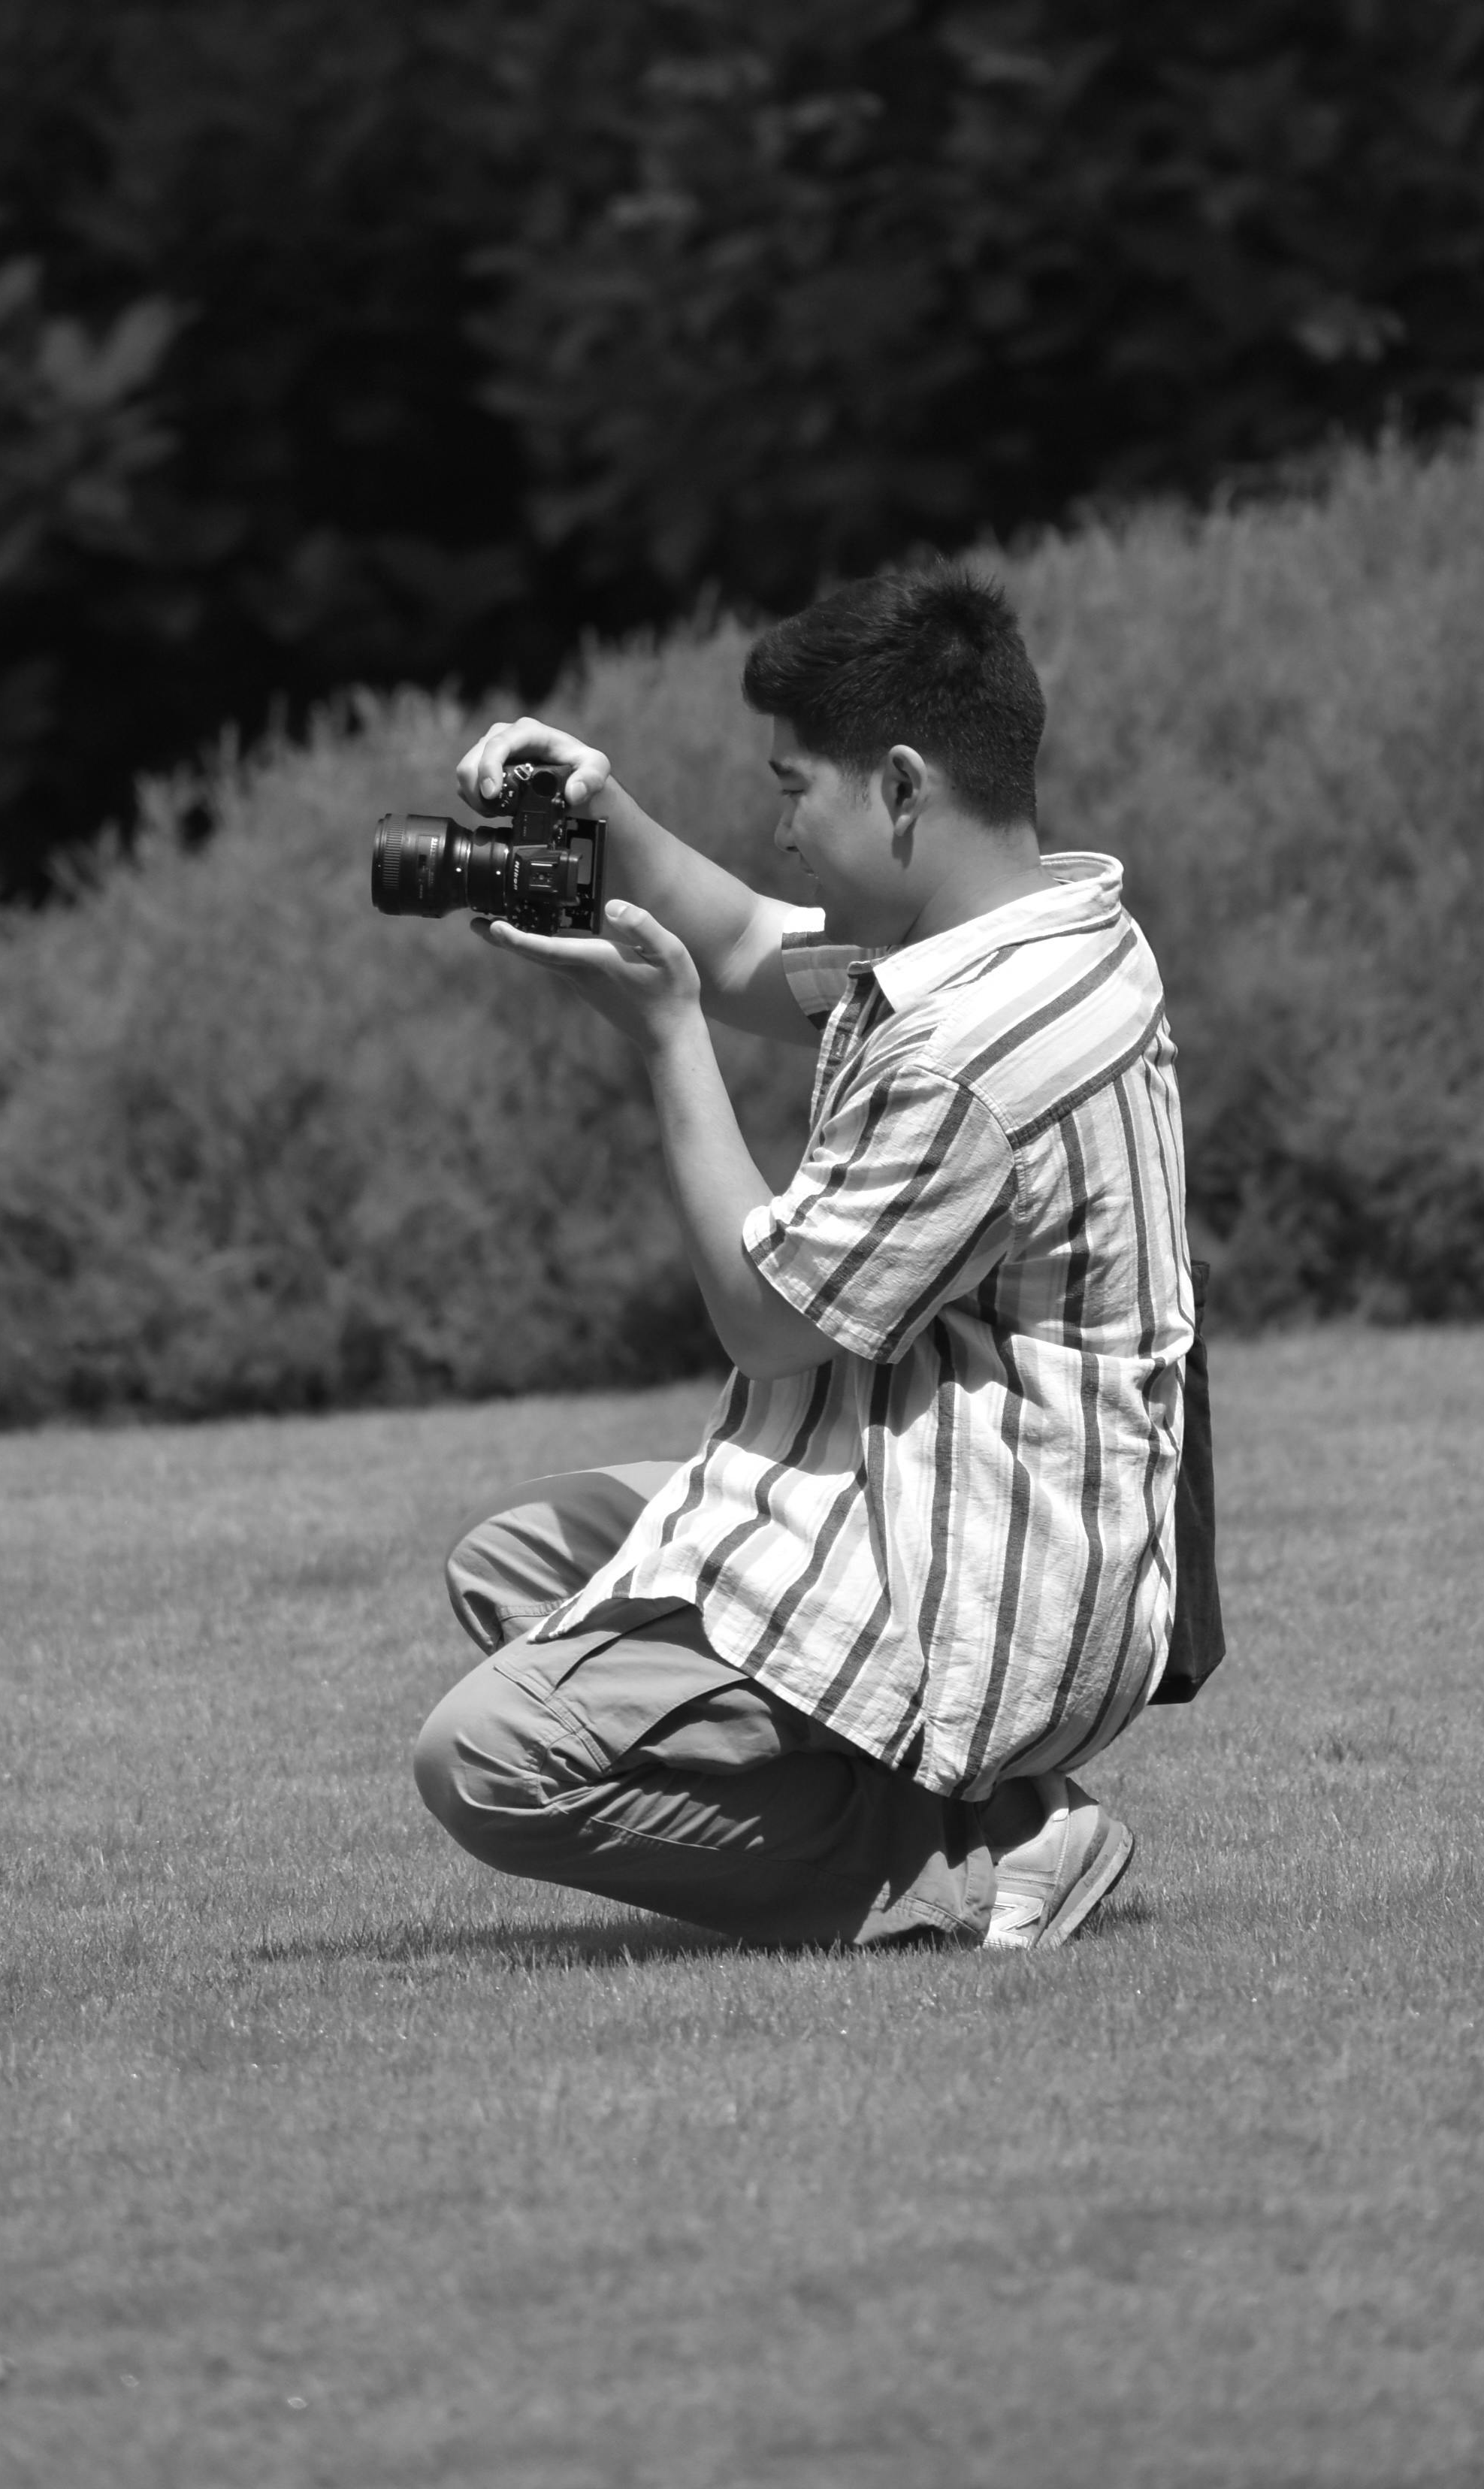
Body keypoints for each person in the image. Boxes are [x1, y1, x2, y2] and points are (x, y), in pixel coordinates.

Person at [411, 556, 1200, 1952]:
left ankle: (965, 1858)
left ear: (899, 786)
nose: (780, 834)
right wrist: (610, 818)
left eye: (794, 790)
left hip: (986, 1581)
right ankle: (970, 1818)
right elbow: (742, 941)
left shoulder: (975, 1050)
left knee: (484, 1758)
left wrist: (665, 1042)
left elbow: (770, 1325)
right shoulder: (1039, 934)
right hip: (934, 1500)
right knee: (517, 1562)